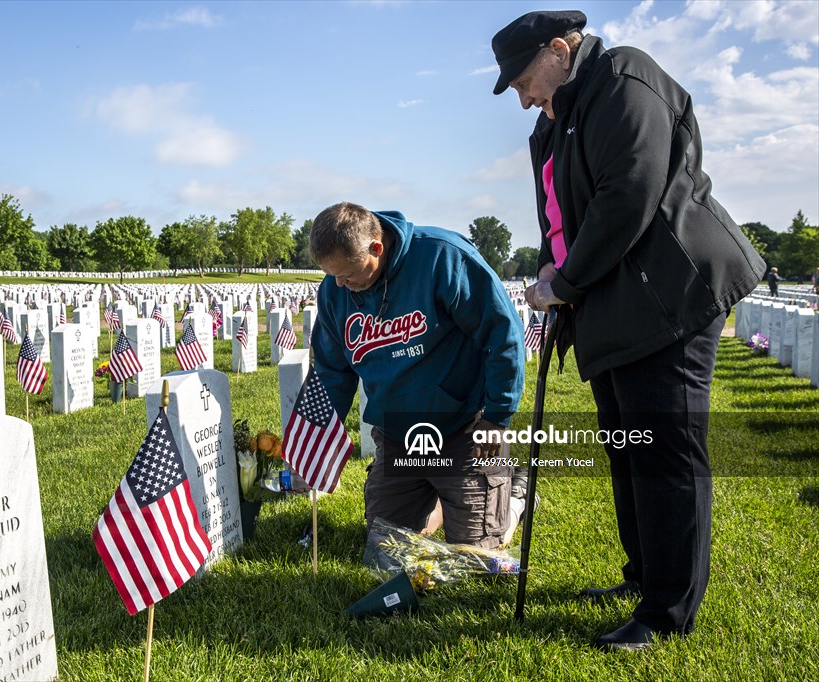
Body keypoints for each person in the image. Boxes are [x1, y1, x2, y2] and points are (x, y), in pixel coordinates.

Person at [491, 10, 765, 651]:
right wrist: (548, 268)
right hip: (614, 305)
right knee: (627, 444)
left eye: (525, 79)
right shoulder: (557, 123)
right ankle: (645, 575)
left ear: (560, 49)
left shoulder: (624, 79)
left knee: (665, 453)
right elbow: (558, 216)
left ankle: (668, 609)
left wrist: (563, 282)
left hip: (668, 296)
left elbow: (629, 194)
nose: (524, 97)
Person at [309, 202, 526, 549]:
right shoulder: (335, 291)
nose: (339, 283)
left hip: (464, 427)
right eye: (331, 274)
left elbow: (503, 335)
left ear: (376, 248)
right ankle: (440, 498)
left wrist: (497, 418)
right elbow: (332, 372)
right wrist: (322, 435)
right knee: (389, 548)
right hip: (398, 433)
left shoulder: (443, 257)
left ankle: (514, 498)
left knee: (473, 555)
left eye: (347, 273)